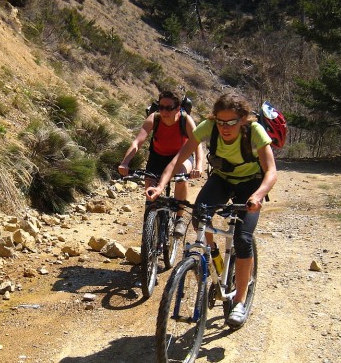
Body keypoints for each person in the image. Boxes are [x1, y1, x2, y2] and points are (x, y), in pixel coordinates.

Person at [146, 92, 277, 327]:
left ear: (243, 120)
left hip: (251, 184)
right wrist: (160, 186)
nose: (225, 128)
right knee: (199, 217)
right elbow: (178, 160)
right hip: (222, 179)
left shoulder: (254, 131)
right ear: (214, 119)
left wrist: (257, 196)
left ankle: (239, 300)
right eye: (220, 122)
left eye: (231, 122)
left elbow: (271, 171)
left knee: (242, 238)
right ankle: (214, 256)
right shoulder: (208, 127)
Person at [118, 90, 205, 235]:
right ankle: (150, 219)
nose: (164, 111)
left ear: (178, 108)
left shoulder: (185, 119)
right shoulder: (154, 118)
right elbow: (137, 142)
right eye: (161, 107)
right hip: (158, 156)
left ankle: (179, 219)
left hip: (181, 156)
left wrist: (198, 166)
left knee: (181, 177)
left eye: (168, 108)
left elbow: (197, 144)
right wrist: (125, 162)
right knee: (150, 184)